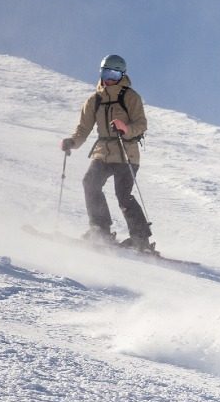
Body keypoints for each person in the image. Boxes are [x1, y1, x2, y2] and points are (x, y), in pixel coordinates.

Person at [59, 54, 156, 253]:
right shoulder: (94, 100)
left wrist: (126, 129)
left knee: (123, 195)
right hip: (103, 152)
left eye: (114, 73)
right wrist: (72, 142)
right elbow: (83, 129)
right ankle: (100, 231)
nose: (109, 77)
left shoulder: (130, 97)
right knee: (90, 183)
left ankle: (141, 240)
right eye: (105, 72)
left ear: (122, 75)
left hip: (126, 153)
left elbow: (141, 124)